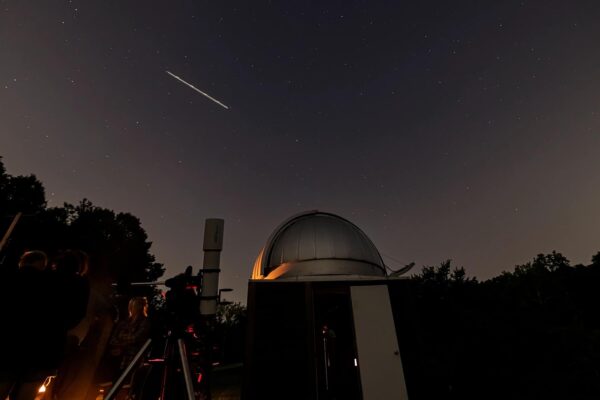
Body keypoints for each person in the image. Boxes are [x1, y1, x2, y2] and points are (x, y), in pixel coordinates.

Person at [0, 250, 51, 400]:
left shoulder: (8, 277)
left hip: (6, 344)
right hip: (32, 350)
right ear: (40, 264)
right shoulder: (48, 285)